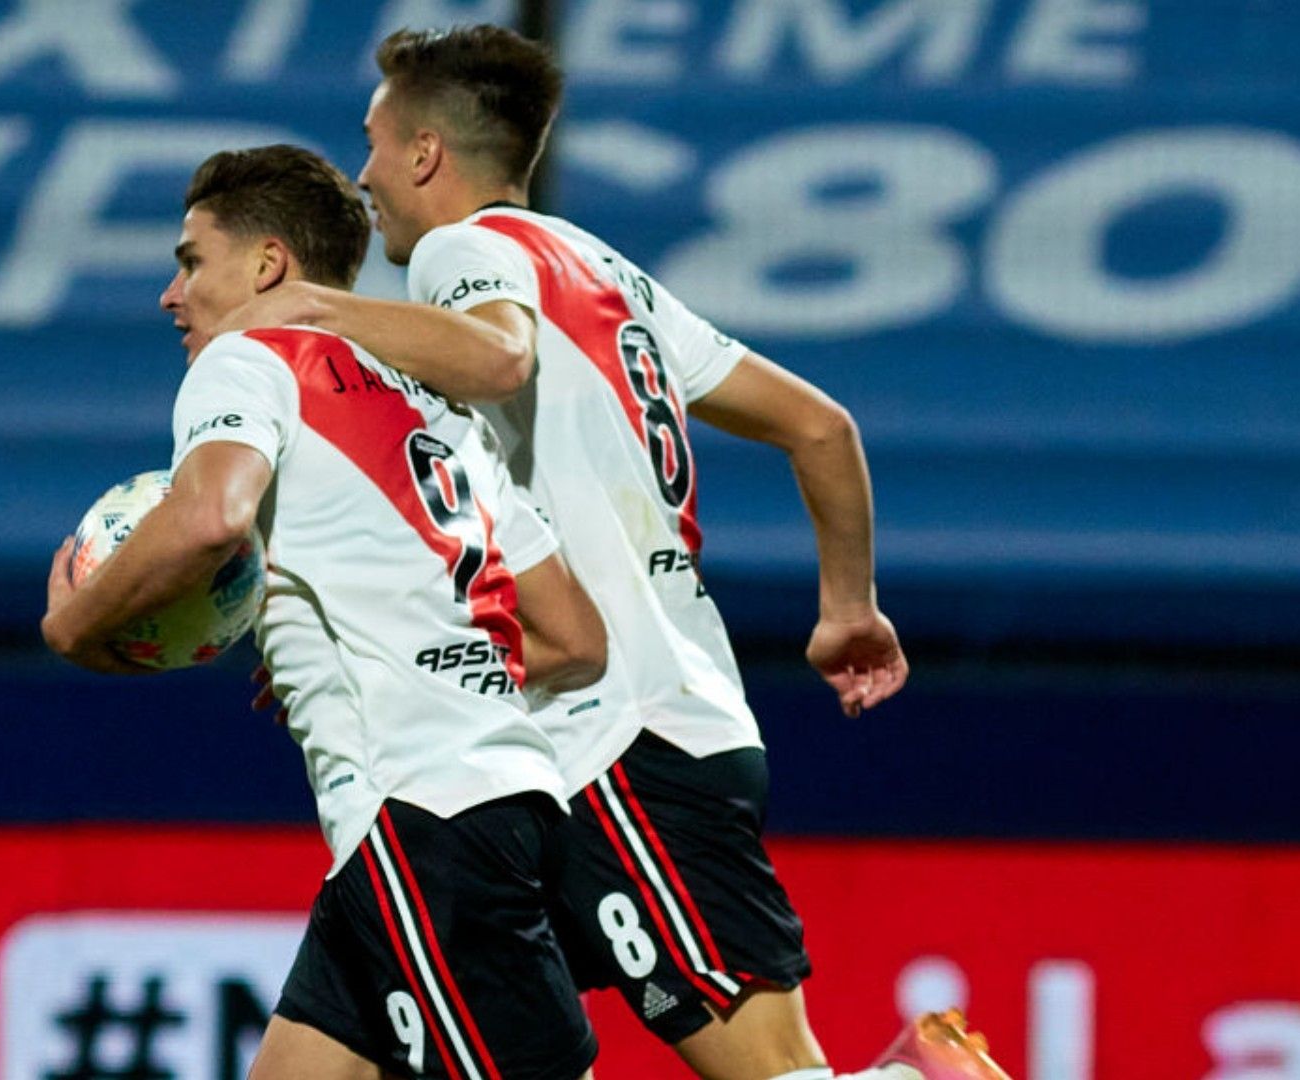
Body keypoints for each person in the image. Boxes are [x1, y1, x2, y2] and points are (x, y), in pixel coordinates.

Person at [216, 25, 1008, 1080]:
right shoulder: (609, 273)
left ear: (424, 154)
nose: (361, 176)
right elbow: (822, 428)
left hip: (620, 740)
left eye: (374, 143)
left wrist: (310, 306)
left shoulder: (467, 255)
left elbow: (498, 358)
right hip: (551, 753)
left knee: (773, 1071)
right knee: (323, 1053)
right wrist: (847, 608)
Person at [41, 144, 608, 1080]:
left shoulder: (251, 357)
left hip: (420, 817)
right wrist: (395, 644)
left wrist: (72, 625)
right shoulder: (441, 414)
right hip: (484, 802)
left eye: (189, 262)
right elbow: (574, 638)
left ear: (267, 266)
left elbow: (211, 516)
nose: (169, 295)